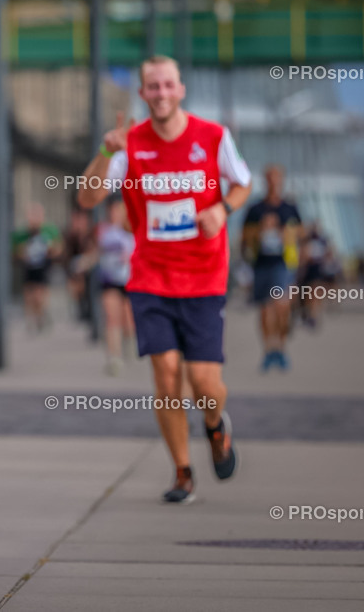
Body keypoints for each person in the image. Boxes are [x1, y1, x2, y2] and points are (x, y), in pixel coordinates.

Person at [77, 54, 251, 504]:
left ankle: (215, 424)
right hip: (151, 278)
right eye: (152, 87)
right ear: (142, 93)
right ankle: (182, 471)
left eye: (168, 85)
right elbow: (86, 196)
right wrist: (105, 152)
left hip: (204, 277)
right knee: (167, 374)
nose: (161, 93)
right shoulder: (128, 143)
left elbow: (242, 182)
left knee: (205, 383)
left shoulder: (212, 137)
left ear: (181, 88)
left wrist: (223, 208)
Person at [241, 165, 301, 371]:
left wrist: (287, 233)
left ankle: (281, 347)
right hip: (261, 264)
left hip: (283, 263)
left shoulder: (289, 208)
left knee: (282, 305)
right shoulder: (256, 209)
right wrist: (260, 230)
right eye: (270, 178)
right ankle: (268, 350)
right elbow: (243, 237)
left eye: (277, 179)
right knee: (266, 309)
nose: (274, 183)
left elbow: (302, 233)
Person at [96, 196, 136, 376]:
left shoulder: (135, 228)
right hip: (109, 280)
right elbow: (95, 250)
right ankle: (114, 357)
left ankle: (129, 349)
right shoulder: (102, 231)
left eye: (119, 209)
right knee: (112, 318)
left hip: (130, 281)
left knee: (128, 321)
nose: (115, 213)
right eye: (112, 209)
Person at [13, 203, 61, 333]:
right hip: (29, 267)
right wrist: (22, 253)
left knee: (40, 294)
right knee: (29, 295)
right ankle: (33, 319)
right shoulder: (22, 234)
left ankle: (41, 316)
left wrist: (50, 249)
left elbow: (59, 248)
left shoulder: (49, 231)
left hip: (43, 266)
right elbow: (16, 252)